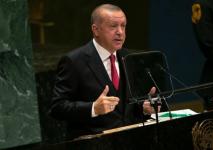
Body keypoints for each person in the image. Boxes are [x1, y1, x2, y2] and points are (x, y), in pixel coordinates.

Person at [49, 4, 159, 139]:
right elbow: (57, 107)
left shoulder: (129, 58)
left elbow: (127, 108)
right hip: (93, 143)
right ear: (96, 30)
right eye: (113, 26)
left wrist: (144, 108)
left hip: (130, 140)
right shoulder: (74, 61)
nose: (120, 32)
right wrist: (93, 108)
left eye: (123, 26)